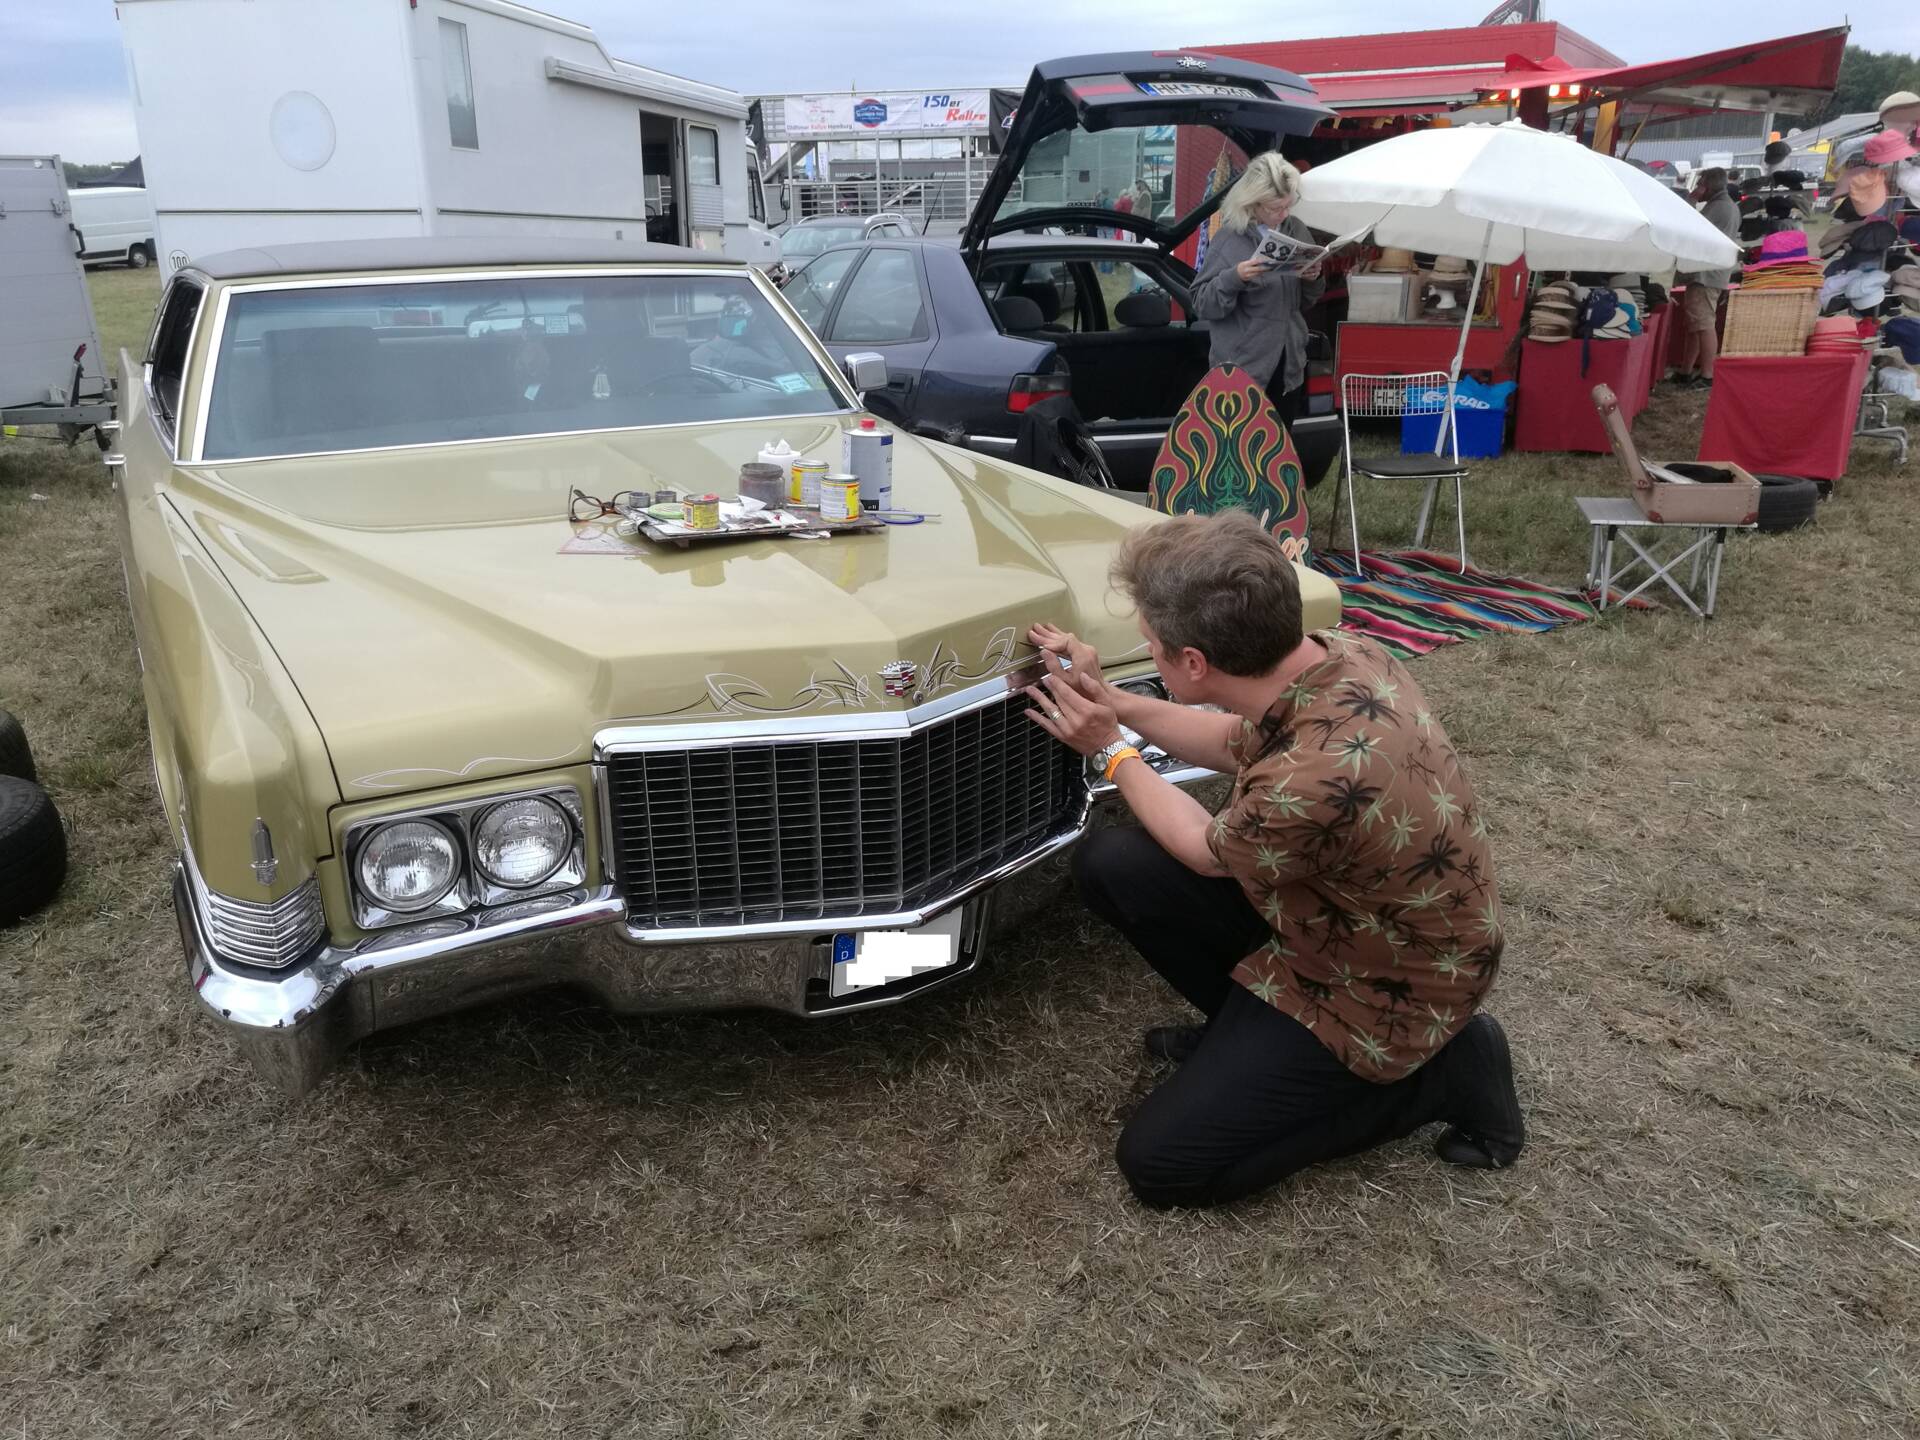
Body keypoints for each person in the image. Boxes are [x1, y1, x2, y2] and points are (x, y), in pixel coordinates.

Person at [1024, 511, 1524, 1210]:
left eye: (1151, 646)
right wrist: (1109, 699)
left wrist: (1109, 748)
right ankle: (1246, 1035)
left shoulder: (1308, 783)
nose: (1148, 652)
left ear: (1193, 663)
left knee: (1162, 1166)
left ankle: (1447, 1075)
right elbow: (1235, 740)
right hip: (1346, 927)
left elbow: (1205, 853)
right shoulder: (1345, 657)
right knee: (1115, 863)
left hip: (1383, 991)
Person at [1189, 153, 1324, 424]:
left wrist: (1313, 278)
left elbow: (1304, 303)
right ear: (1252, 203)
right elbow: (1202, 304)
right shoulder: (1229, 237)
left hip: (1288, 367)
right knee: (1241, 448)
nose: (1284, 214)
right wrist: (1235, 277)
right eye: (1276, 208)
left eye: (1288, 205)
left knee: (1280, 446)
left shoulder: (1295, 229)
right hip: (1242, 371)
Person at [1669, 168, 1741, 389]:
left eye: (1700, 183)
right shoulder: (1726, 206)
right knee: (1696, 324)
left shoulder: (1720, 207)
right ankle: (1686, 370)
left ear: (1707, 186)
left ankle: (1707, 375)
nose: (1696, 187)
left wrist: (1691, 200)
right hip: (1709, 273)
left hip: (1706, 275)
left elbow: (1689, 226)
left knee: (1704, 324)